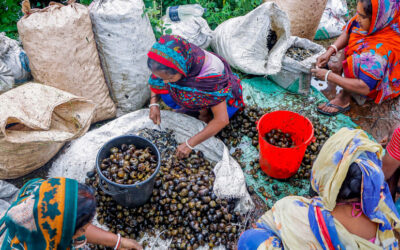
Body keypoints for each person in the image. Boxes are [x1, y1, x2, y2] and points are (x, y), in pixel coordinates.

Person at [237, 128, 400, 249]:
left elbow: (268, 224)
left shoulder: (295, 210)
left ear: (328, 181)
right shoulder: (384, 213)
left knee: (250, 239)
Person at [147, 35, 245, 159]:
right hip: (196, 91)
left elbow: (222, 120)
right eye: (162, 78)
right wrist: (153, 103)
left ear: (181, 69)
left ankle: (203, 111)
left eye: (170, 78)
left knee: (224, 114)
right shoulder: (171, 59)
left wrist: (189, 144)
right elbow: (157, 78)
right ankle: (192, 107)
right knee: (166, 95)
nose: (165, 82)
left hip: (219, 94)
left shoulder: (210, 77)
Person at [311, 0, 400, 116]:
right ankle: (339, 67)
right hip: (371, 53)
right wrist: (331, 50)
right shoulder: (382, 14)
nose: (357, 18)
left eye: (362, 16)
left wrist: (329, 76)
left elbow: (365, 87)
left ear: (376, 19)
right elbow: (351, 27)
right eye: (358, 13)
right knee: (358, 34)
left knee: (356, 61)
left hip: (374, 83)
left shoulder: (379, 54)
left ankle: (344, 99)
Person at [0, 177, 142, 250]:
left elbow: (65, 219)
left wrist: (119, 242)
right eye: (83, 228)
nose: (87, 229)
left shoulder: (39, 194)